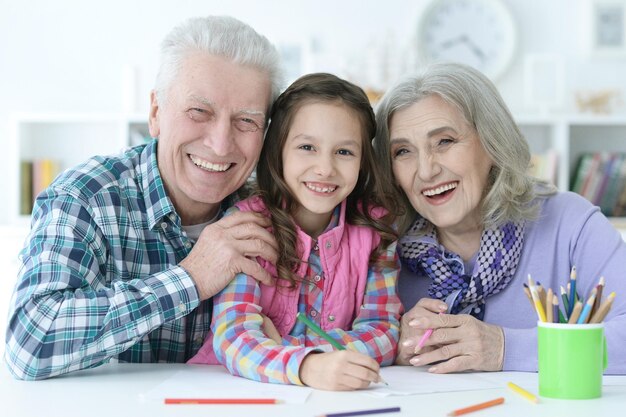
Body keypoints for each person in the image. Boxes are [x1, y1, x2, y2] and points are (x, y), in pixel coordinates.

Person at [5, 16, 284, 380]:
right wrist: (192, 278)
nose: (220, 143)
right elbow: (31, 342)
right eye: (199, 111)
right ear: (156, 113)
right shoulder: (85, 197)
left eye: (246, 121)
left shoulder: (272, 209)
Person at [372, 62, 626, 374]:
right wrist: (389, 343)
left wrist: (505, 347)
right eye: (403, 152)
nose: (426, 170)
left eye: (445, 141)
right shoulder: (380, 243)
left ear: (493, 142)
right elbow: (324, 340)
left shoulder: (570, 223)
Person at [188, 73, 403, 390]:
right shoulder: (247, 227)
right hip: (235, 392)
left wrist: (300, 352)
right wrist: (308, 367)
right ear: (278, 151)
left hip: (328, 396)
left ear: (362, 161)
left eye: (344, 152)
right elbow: (234, 337)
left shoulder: (376, 231)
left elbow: (384, 332)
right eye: (307, 147)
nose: (325, 168)